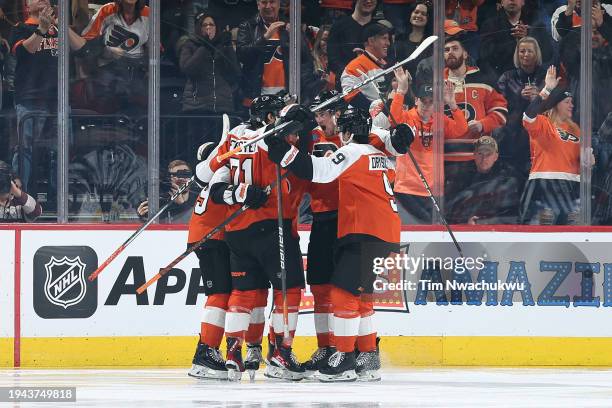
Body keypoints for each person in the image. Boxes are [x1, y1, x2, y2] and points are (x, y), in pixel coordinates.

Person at [266, 105, 412, 382]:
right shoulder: (379, 153)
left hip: (365, 231)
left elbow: (317, 170)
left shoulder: (353, 152)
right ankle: (367, 358)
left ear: (345, 133)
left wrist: (282, 151)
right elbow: (392, 140)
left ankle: (344, 358)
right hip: (384, 233)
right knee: (359, 297)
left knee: (343, 295)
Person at [204, 95, 309, 381]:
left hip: (237, 230)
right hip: (271, 225)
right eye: (277, 114)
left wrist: (239, 194)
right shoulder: (272, 137)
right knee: (289, 291)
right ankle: (280, 353)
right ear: (270, 117)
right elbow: (300, 148)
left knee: (243, 293)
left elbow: (215, 184)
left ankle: (233, 354)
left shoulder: (235, 137)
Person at [390, 70, 468, 224]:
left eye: (430, 101)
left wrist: (452, 104)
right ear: (416, 100)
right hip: (405, 188)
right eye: (423, 100)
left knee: (429, 231)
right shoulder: (407, 116)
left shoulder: (440, 120)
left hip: (431, 190)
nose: (426, 105)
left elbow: (461, 130)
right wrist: (401, 91)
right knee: (408, 232)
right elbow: (393, 119)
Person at [520, 65, 593, 225]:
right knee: (541, 235)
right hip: (544, 184)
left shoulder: (577, 130)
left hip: (573, 187)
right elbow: (527, 116)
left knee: (573, 234)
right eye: (567, 101)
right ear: (556, 104)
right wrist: (546, 89)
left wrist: (590, 161)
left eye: (572, 102)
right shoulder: (543, 123)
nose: (571, 105)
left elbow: (587, 161)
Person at [187, 141, 232, 380]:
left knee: (223, 294)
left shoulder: (213, 175)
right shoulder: (222, 173)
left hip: (207, 236)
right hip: (211, 238)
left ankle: (208, 349)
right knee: (220, 295)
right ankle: (206, 352)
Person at [442, 35, 508, 198]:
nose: (450, 53)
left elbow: (501, 112)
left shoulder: (483, 80)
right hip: (443, 159)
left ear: (465, 54)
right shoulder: (436, 82)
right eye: (446, 50)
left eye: (455, 49)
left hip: (476, 158)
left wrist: (483, 124)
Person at [70, 0, 149, 115]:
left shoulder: (149, 13)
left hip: (135, 75)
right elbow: (87, 44)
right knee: (105, 111)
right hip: (107, 75)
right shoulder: (107, 10)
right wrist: (105, 50)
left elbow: (156, 48)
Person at [236, 0, 321, 107]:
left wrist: (298, 38)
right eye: (264, 2)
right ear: (258, 5)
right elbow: (242, 56)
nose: (268, 6)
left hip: (287, 96)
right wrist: (265, 37)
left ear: (279, 4)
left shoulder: (289, 25)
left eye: (272, 2)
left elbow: (306, 58)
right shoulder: (248, 26)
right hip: (257, 95)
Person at [10, 0, 58, 190]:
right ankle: (20, 197)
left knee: (59, 149)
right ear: (26, 6)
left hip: (57, 97)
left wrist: (58, 24)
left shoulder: (59, 29)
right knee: (25, 148)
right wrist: (42, 29)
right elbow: (25, 51)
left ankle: (58, 196)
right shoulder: (20, 28)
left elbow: (81, 48)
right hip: (30, 98)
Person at [178, 10, 241, 149]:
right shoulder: (190, 44)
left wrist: (228, 46)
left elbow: (235, 71)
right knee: (198, 149)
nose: (208, 28)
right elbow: (187, 69)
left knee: (221, 149)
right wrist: (204, 47)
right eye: (204, 25)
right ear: (198, 28)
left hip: (221, 107)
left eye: (211, 25)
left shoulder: (222, 45)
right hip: (197, 108)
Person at [496, 36, 547, 175]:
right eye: (522, 51)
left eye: (530, 51)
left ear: (537, 53)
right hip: (514, 129)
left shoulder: (546, 75)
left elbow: (553, 103)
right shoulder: (507, 77)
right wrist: (519, 97)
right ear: (517, 54)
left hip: (540, 129)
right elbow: (500, 106)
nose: (525, 55)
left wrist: (539, 98)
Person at [446, 136, 522, 224]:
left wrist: (484, 222)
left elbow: (511, 215)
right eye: (480, 154)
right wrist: (465, 221)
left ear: (496, 156)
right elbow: (450, 210)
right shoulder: (461, 178)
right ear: (474, 155)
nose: (484, 158)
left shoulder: (507, 179)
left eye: (488, 154)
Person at [479, 0, 552, 79]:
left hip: (532, 76)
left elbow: (547, 55)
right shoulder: (490, 25)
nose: (512, 0)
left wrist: (528, 37)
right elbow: (485, 54)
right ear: (501, 3)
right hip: (501, 75)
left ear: (523, 2)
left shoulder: (536, 23)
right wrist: (516, 42)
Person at [341, 21, 391, 111]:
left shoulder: (387, 65)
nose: (388, 43)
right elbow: (350, 95)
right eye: (384, 38)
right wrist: (376, 111)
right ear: (371, 41)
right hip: (369, 121)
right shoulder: (355, 66)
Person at [327, 0, 378, 87]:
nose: (369, 1)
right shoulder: (338, 27)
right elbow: (333, 58)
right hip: (347, 83)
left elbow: (387, 57)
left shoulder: (379, 28)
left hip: (376, 81)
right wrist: (349, 74)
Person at [389, 0, 432, 78]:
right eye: (416, 12)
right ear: (410, 15)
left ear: (428, 19)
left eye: (423, 14)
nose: (419, 15)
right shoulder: (398, 39)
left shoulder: (431, 42)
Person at [312, 25, 336, 91]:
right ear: (318, 40)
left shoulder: (340, 60)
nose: (328, 43)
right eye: (325, 40)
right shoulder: (311, 60)